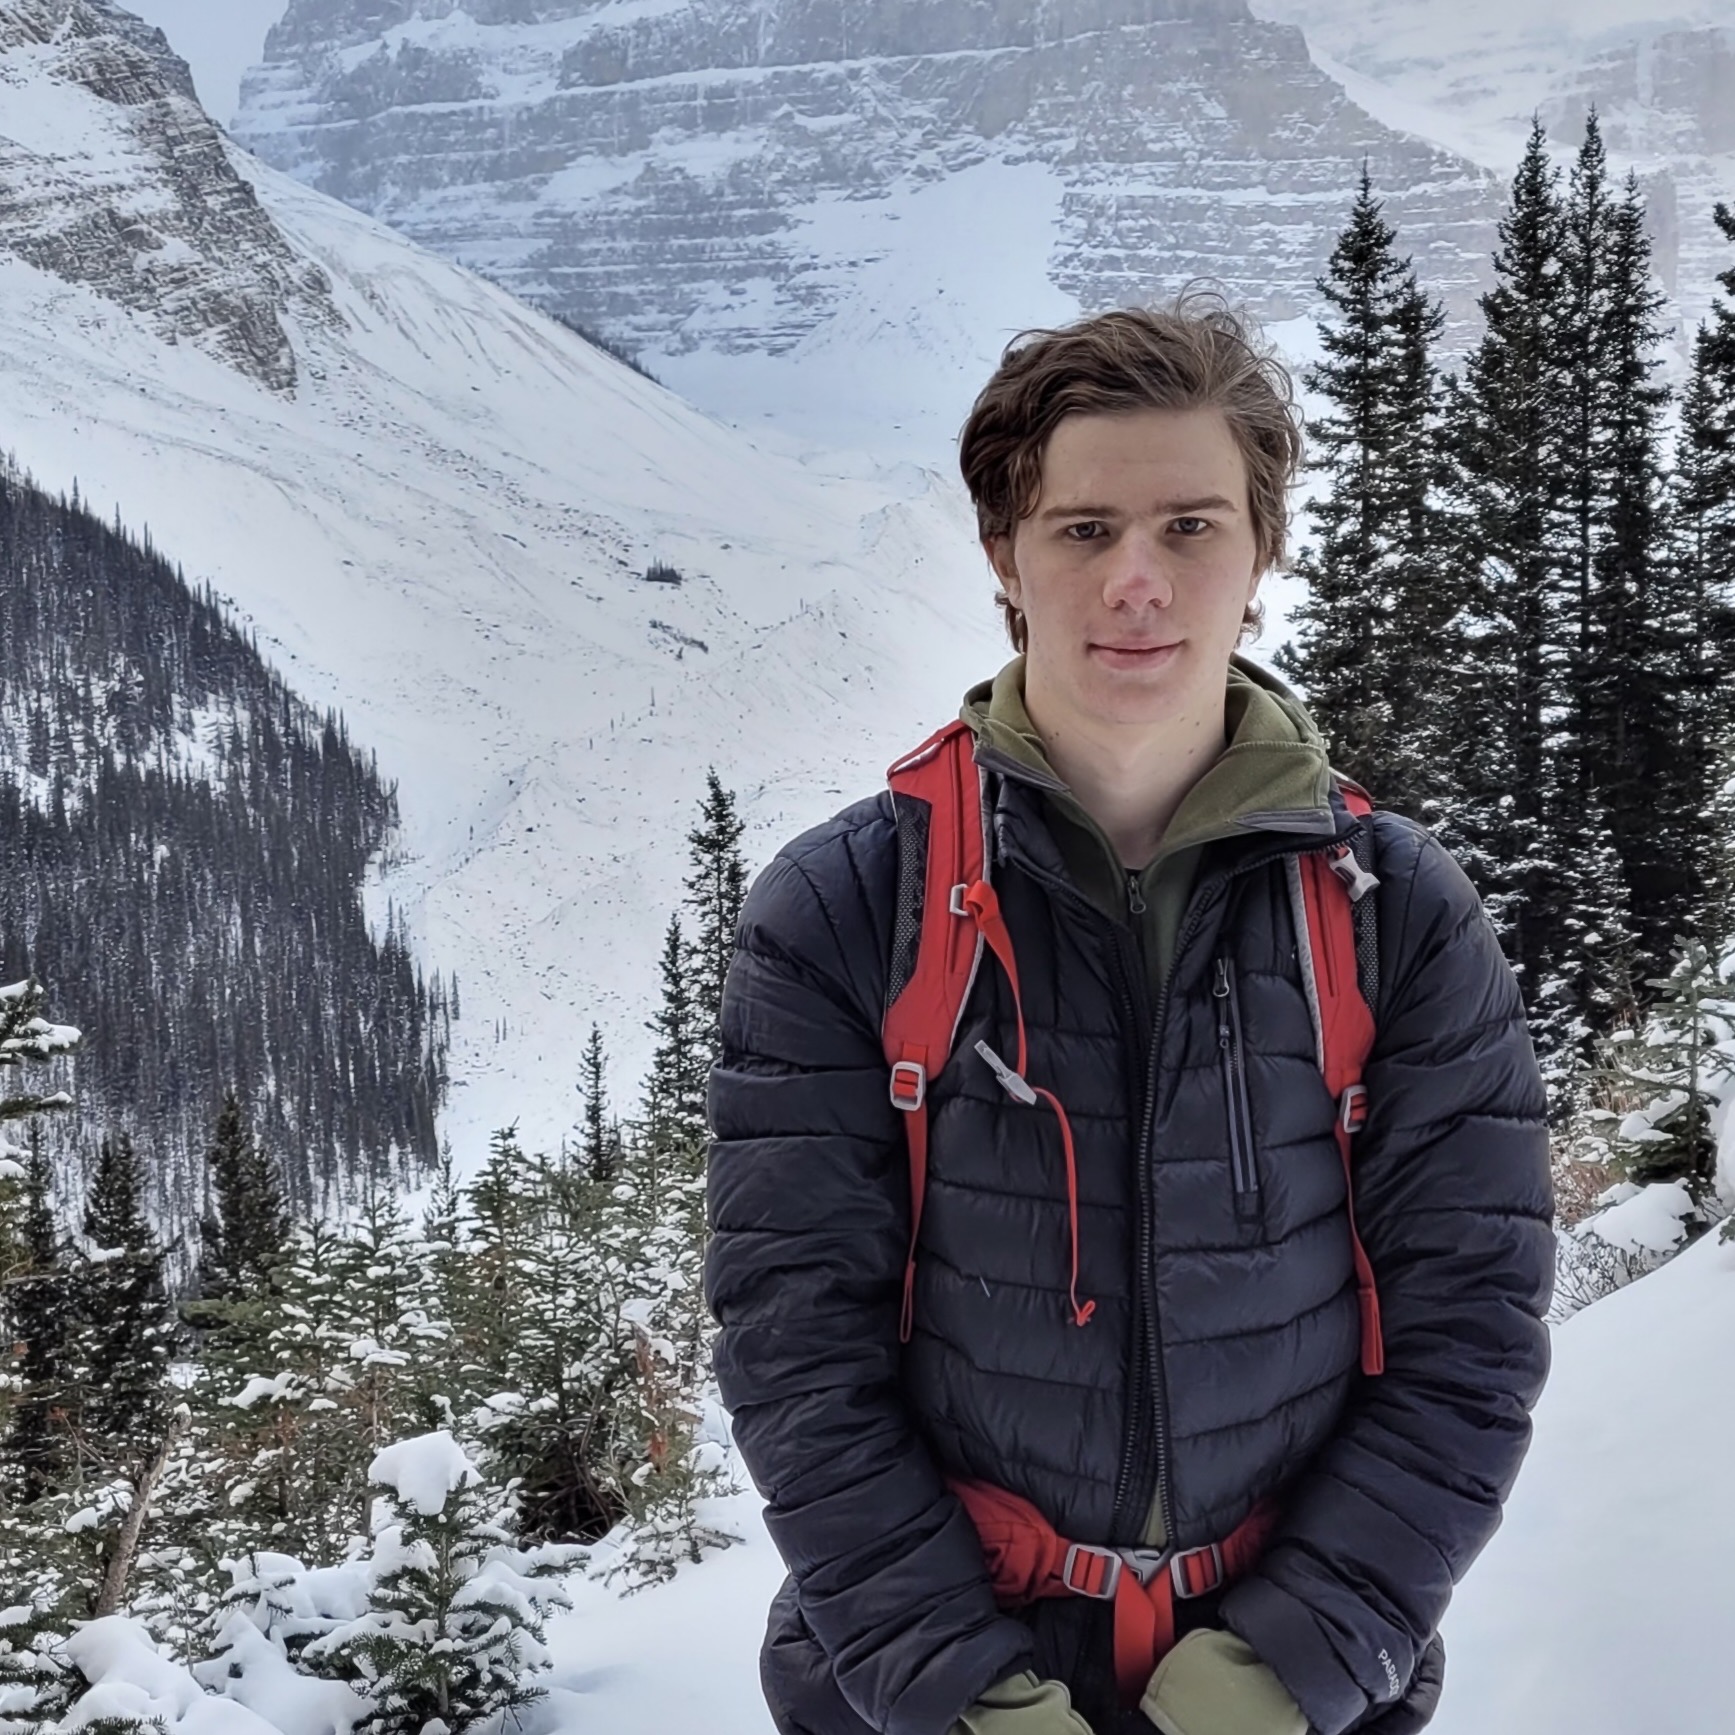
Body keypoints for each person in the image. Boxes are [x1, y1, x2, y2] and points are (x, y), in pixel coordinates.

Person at [705, 300, 1553, 1735]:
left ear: (1263, 546)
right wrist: (966, 1691)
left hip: (1295, 1685)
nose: (1139, 584)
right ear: (1005, 558)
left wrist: (1281, 1673)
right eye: (1086, 530)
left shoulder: (1392, 911)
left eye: (1192, 526)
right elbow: (797, 1349)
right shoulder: (851, 911)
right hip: (932, 1684)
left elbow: (1472, 1331)